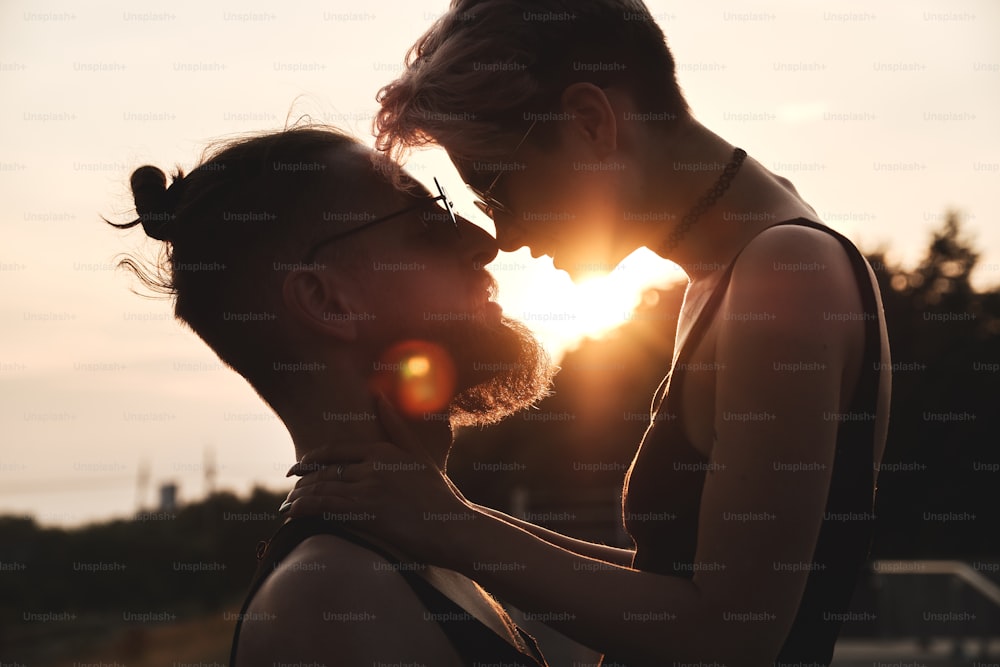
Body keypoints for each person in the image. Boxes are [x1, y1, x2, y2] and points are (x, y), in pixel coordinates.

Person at [282, 1, 893, 666]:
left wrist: (451, 527)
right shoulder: (738, 266)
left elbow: (730, 635)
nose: (504, 234)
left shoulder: (785, 275)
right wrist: (448, 514)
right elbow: (676, 575)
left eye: (500, 188)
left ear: (589, 121)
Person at [107, 126, 555, 666]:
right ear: (327, 300)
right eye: (429, 219)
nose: (484, 241)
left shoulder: (423, 540)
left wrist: (460, 524)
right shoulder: (332, 599)